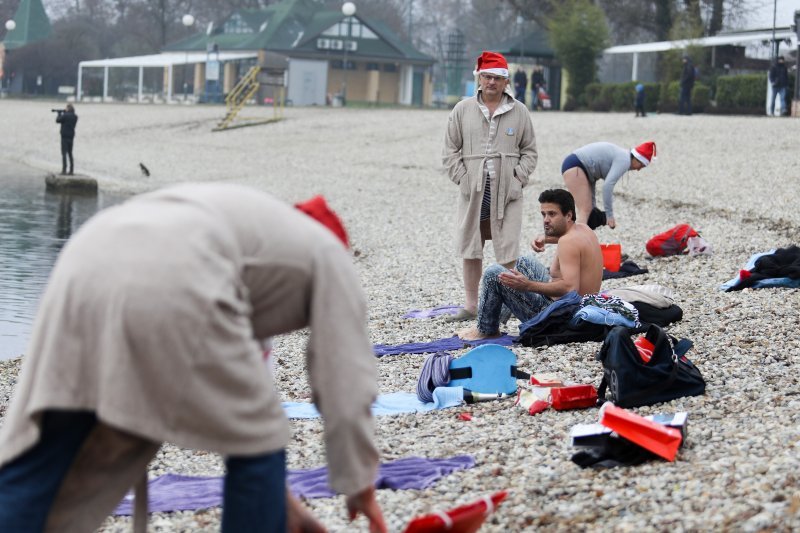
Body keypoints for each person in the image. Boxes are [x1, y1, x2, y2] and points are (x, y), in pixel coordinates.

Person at [0, 184, 387, 533]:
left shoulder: (258, 233)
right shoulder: (330, 255)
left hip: (84, 259)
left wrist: (279, 502)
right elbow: (344, 374)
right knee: (259, 446)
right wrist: (359, 481)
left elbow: (251, 402)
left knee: (56, 435)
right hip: (174, 273)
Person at [443, 51, 538, 322]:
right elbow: (450, 149)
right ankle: (472, 305)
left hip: (507, 191)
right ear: (479, 78)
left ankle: (508, 305)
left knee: (507, 247)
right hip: (472, 189)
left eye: (497, 78)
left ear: (506, 82)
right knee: (471, 246)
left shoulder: (519, 111)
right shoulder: (462, 109)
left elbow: (530, 151)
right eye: (487, 77)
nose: (492, 82)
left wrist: (518, 179)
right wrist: (462, 177)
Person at [457, 189, 603, 341]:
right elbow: (571, 242)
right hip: (580, 308)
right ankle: (495, 318)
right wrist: (546, 239)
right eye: (543, 214)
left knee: (493, 273)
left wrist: (527, 285)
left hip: (559, 318)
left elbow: (570, 288)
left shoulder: (567, 242)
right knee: (523, 261)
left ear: (568, 215)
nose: (546, 220)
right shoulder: (584, 230)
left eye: (552, 214)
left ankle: (486, 329)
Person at [561, 141, 656, 230]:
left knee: (590, 211)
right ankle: (577, 243)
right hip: (575, 166)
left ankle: (584, 241)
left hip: (580, 167)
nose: (639, 169)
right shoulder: (624, 160)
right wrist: (609, 216)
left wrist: (594, 207)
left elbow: (593, 177)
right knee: (585, 210)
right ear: (638, 159)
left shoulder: (622, 155)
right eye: (641, 166)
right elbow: (608, 186)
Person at [55, 103, 78, 175]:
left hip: (64, 136)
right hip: (71, 136)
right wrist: (64, 113)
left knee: (64, 153)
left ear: (68, 108)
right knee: (70, 153)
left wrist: (59, 114)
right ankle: (71, 170)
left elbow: (58, 120)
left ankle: (64, 170)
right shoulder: (75, 116)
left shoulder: (65, 115)